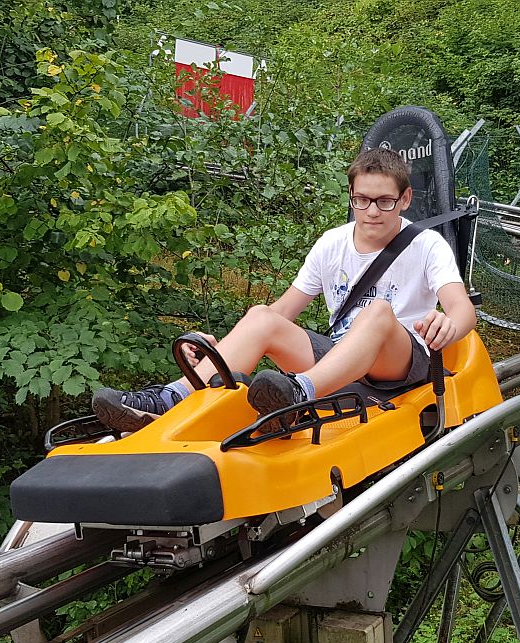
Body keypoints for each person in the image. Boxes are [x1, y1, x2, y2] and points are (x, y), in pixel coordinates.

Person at [92, 147, 477, 433]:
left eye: (384, 201)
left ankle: (299, 393)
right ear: (351, 196)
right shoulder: (332, 243)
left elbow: (463, 310)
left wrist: (449, 326)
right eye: (362, 200)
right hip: (342, 355)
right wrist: (221, 347)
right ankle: (171, 397)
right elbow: (281, 312)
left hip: (401, 363)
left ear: (404, 199)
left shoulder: (427, 245)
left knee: (376, 312)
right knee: (261, 316)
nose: (372, 211)